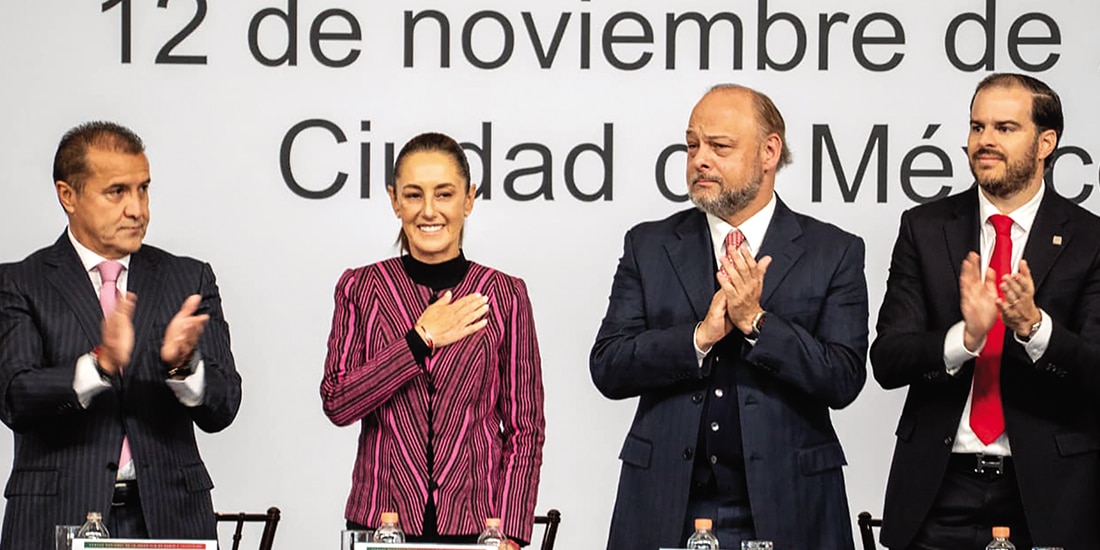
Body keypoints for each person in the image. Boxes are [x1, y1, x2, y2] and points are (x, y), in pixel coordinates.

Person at [590, 84, 868, 549]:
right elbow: (608, 366)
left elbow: (843, 378)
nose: (700, 159)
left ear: (769, 152)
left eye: (719, 146)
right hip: (666, 506)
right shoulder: (649, 245)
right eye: (692, 145)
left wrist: (759, 323)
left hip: (791, 507)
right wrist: (699, 337)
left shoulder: (833, 251)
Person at [871, 74, 1100, 549]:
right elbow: (888, 359)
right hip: (937, 489)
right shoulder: (924, 227)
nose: (985, 141)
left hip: (1047, 493)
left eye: (1004, 128)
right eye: (977, 127)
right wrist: (966, 339)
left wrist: (1033, 328)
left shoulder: (1089, 238)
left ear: (1046, 142)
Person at [0, 121, 242, 549]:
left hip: (171, 519)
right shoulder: (21, 282)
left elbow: (224, 406)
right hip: (56, 518)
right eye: (117, 192)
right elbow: (14, 397)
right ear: (67, 195)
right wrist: (99, 365)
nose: (137, 208)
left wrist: (182, 368)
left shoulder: (188, 278)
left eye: (143, 189)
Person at [320, 132, 545, 545]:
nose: (429, 211)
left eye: (444, 194)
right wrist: (418, 340)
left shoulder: (505, 295)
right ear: (394, 201)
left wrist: (511, 532)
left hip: (478, 529)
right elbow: (337, 401)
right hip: (380, 523)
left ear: (468, 199)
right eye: (413, 195)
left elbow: (524, 428)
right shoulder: (361, 288)